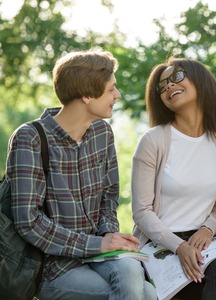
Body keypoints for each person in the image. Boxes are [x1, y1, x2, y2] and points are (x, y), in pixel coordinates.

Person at [5, 49, 157, 300]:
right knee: (146, 295)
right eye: (111, 89)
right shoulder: (30, 138)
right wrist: (97, 245)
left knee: (133, 272)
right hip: (51, 267)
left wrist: (109, 234)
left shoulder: (102, 132)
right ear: (87, 95)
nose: (117, 95)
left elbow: (109, 196)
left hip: (99, 255)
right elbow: (28, 221)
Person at [131, 57, 216, 299]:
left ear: (201, 82)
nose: (168, 86)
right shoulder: (154, 140)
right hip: (160, 243)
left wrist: (208, 230)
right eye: (162, 86)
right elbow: (142, 211)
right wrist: (179, 247)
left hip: (202, 240)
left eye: (176, 77)